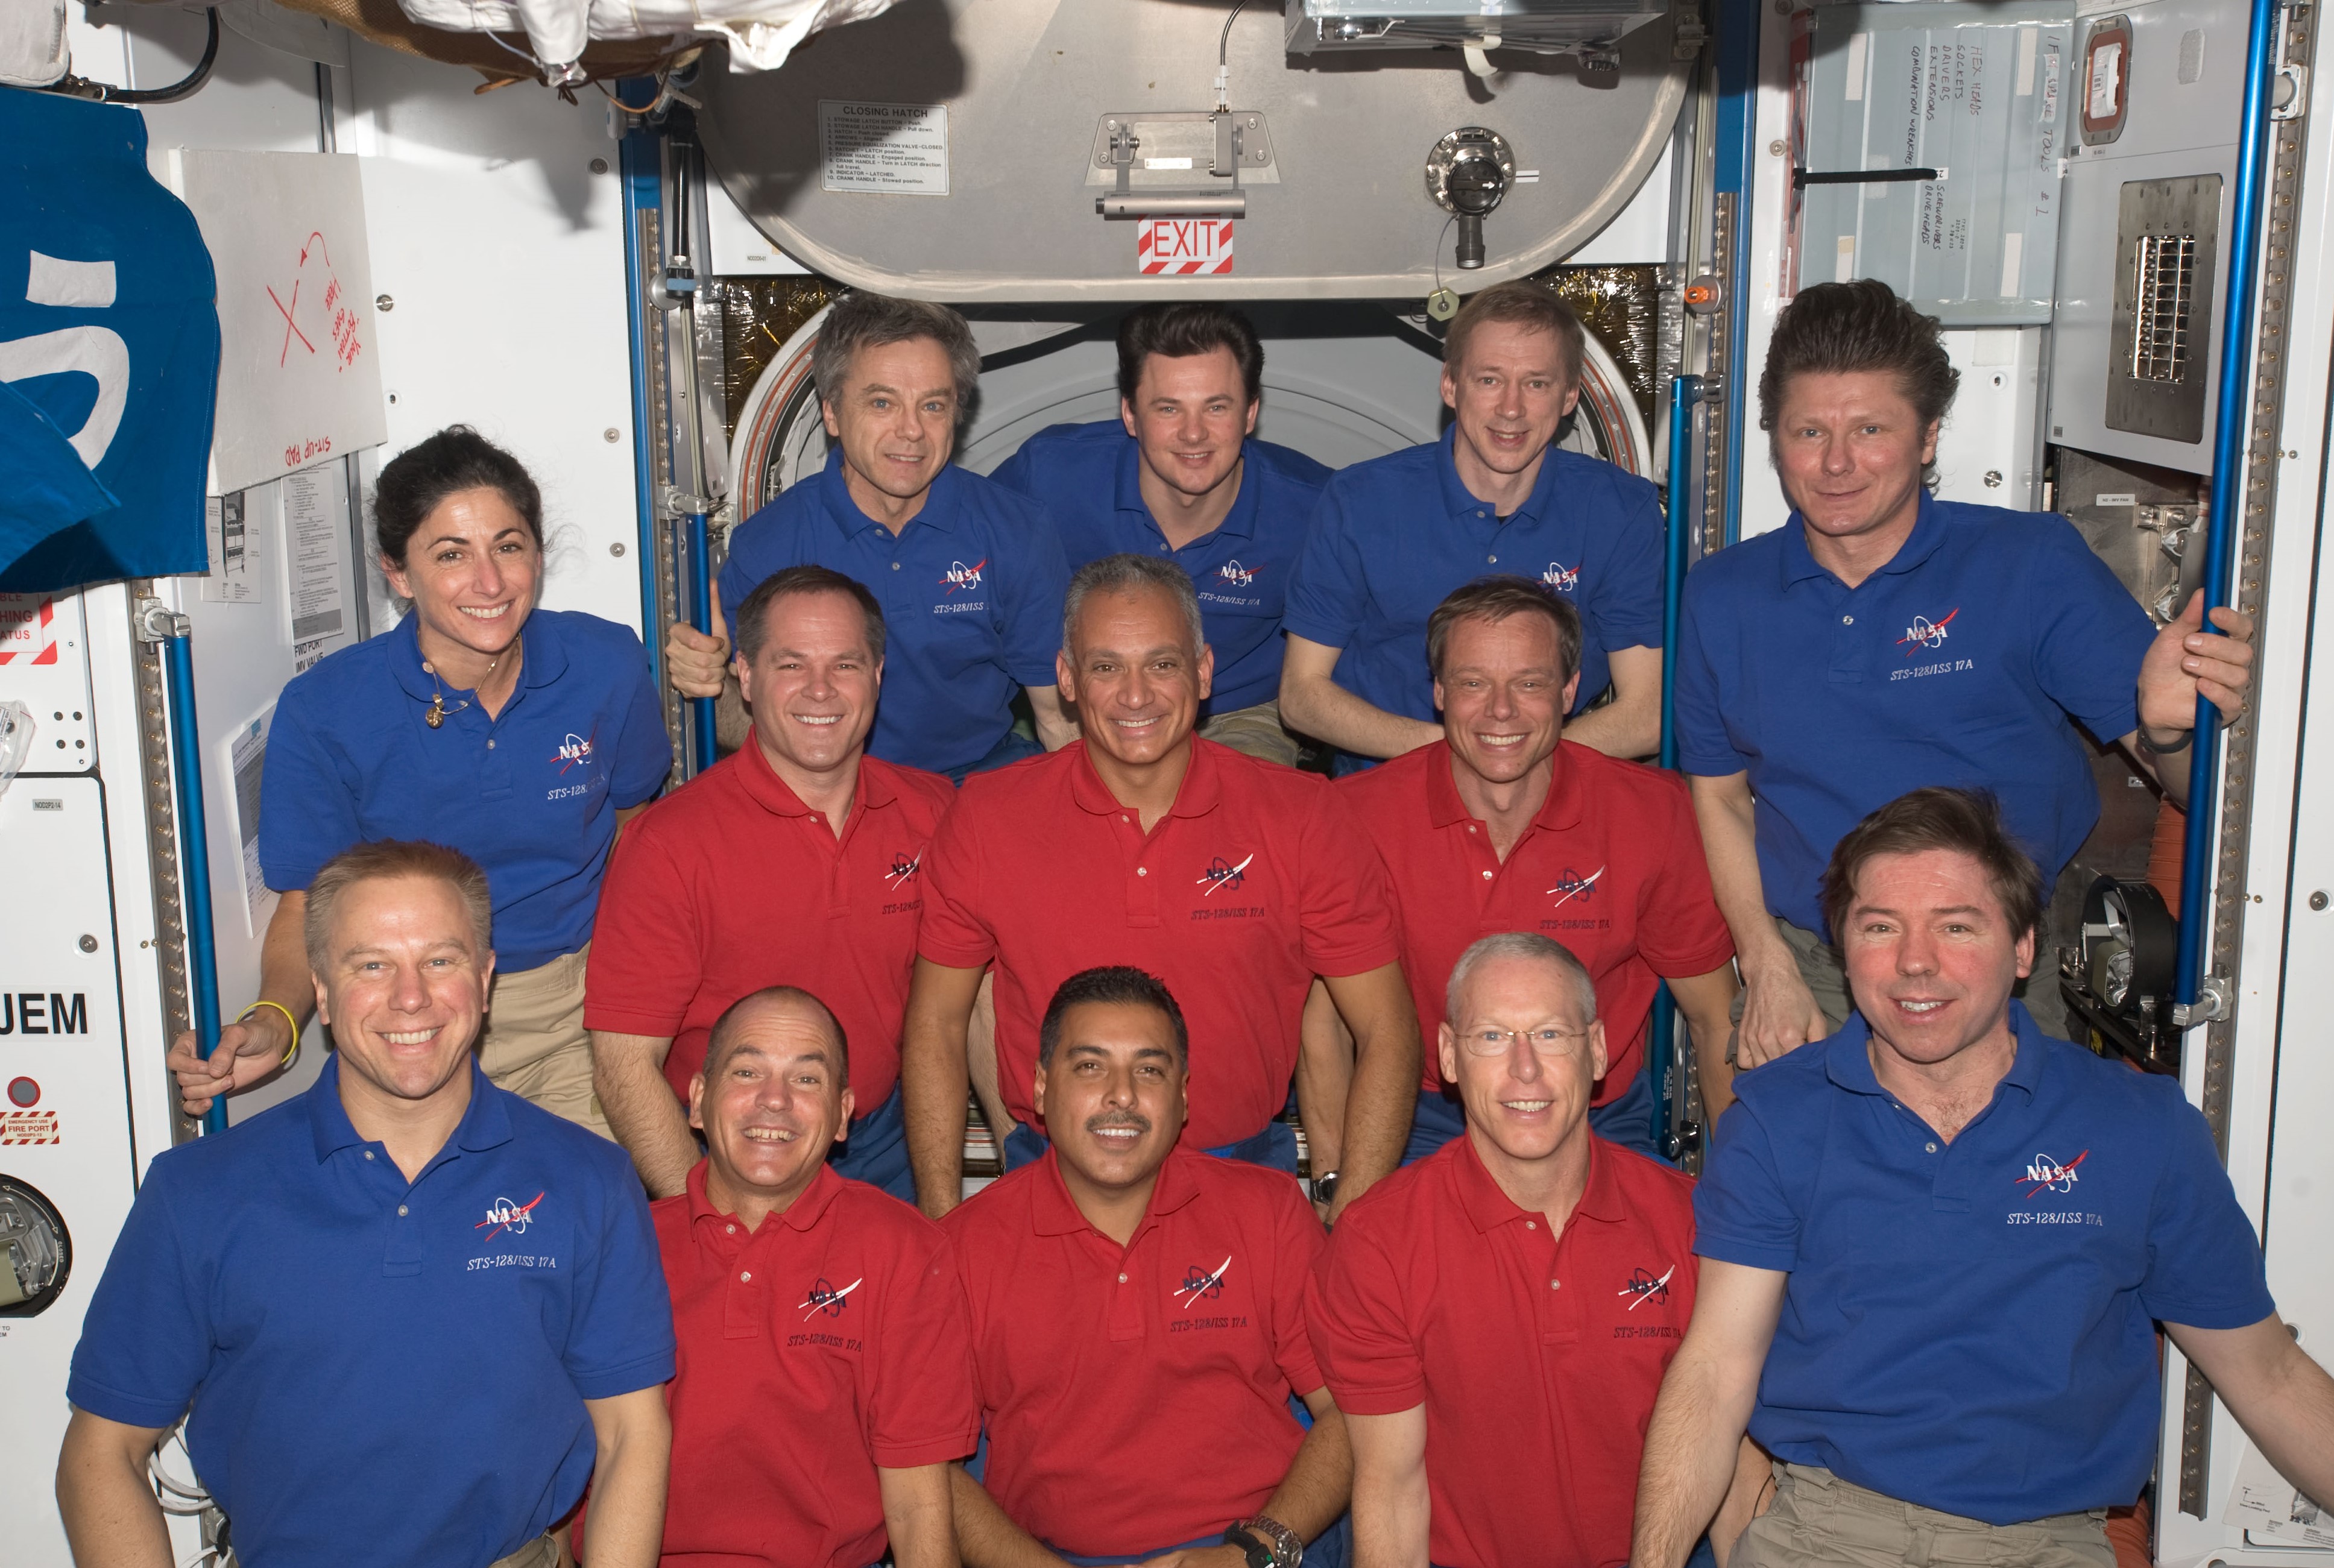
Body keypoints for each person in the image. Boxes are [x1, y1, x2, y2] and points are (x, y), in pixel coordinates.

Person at [1629, 788, 2334, 1568]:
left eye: (1955, 926)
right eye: (1878, 927)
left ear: (2023, 946)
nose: (1914, 962)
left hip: (2043, 1544)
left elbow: (2266, 1376)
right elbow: (1714, 1372)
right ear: (1840, 945)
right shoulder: (1775, 1118)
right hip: (1825, 1531)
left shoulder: (2137, 1127)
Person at [1673, 280, 2257, 1069]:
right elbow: (1718, 795)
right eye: (1807, 430)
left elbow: (2190, 791)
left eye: (1869, 428)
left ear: (1926, 438)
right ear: (1774, 438)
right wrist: (1763, 961)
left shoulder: (2030, 566)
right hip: (1807, 969)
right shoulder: (1720, 595)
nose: (1836, 462)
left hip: (1995, 971)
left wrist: (2165, 731)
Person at [59, 841, 673, 1568]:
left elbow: (633, 1434)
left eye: (440, 961)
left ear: (485, 978)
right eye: (371, 964)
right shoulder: (199, 1193)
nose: (409, 997)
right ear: (320, 990)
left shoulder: (590, 1181)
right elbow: (102, 1455)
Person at [167, 427, 672, 1137]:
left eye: (509, 545)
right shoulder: (328, 710)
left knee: (587, 1217)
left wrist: (646, 986)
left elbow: (636, 825)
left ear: (538, 553)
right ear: (398, 574)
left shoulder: (605, 662)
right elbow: (307, 901)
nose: (490, 582)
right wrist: (276, 1021)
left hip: (575, 1007)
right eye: (451, 555)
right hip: (411, 1017)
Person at [903, 554, 1418, 1221]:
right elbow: (936, 1025)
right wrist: (944, 1225)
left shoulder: (1302, 816)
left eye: (1162, 664)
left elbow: (1388, 1029)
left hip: (1240, 1181)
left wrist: (1352, 1223)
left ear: (1204, 672)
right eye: (1106, 666)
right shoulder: (985, 816)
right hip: (1049, 1180)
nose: (1136, 694)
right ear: (1066, 679)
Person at [1308, 933, 1733, 1568]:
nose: (1524, 1070)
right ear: (1449, 1056)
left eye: (1550, 1035)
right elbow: (1392, 1493)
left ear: (1597, 1050)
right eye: (1491, 1037)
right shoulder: (1379, 1242)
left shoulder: (1695, 1224)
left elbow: (1735, 1463)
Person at [945, 967, 1351, 1567]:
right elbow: (925, 1465)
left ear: (1183, 1094)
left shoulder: (1265, 1211)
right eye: (1089, 1066)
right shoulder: (959, 1247)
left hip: (1259, 1547)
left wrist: (1252, 1552)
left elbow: (1353, 1413)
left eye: (1149, 1070)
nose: (1121, 1095)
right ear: (1038, 1086)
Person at [1331, 578, 1739, 1164]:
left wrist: (1743, 1196)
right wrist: (1338, 1182)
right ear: (1440, 690)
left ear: (1570, 689)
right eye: (1474, 683)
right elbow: (1324, 1026)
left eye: (1529, 683)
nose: (1501, 710)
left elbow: (1711, 1018)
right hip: (1422, 1110)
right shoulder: (1355, 816)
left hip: (1595, 1111)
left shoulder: (1651, 814)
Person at [586, 566, 956, 1201]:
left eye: (845, 664)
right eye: (791, 665)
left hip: (881, 1144)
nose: (820, 690)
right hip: (726, 1153)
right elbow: (624, 1067)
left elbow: (966, 1010)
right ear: (747, 678)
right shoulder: (671, 844)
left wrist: (946, 1208)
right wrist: (708, 1219)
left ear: (877, 675)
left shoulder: (934, 814)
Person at [628, 984, 976, 1568]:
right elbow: (565, 1474)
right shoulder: (621, 1248)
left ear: (843, 1116)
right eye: (746, 1072)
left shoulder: (906, 1251)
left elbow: (918, 1506)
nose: (775, 1101)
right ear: (696, 1099)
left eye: (807, 1080)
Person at [663, 291, 1075, 781]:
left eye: (933, 405)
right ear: (832, 413)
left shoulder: (1015, 531)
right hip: (829, 787)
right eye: (882, 402)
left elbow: (1057, 719)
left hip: (973, 779)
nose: (912, 431)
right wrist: (710, 689)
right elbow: (741, 727)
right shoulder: (771, 545)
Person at [1281, 282, 1664, 771]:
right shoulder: (1361, 502)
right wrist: (1458, 753)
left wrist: (1514, 762)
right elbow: (1302, 695)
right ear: (1450, 385)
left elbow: (1646, 711)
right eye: (1489, 379)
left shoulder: (1618, 509)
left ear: (1569, 396)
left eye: (1536, 383)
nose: (1511, 408)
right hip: (1391, 778)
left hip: (1553, 775)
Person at [990, 303, 1331, 765]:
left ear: (1250, 414)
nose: (1194, 434)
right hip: (1094, 704)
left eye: (1216, 407)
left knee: (1235, 829)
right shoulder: (1050, 476)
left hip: (1236, 714)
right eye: (1168, 408)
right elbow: (965, 559)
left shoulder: (1313, 509)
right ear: (1130, 414)